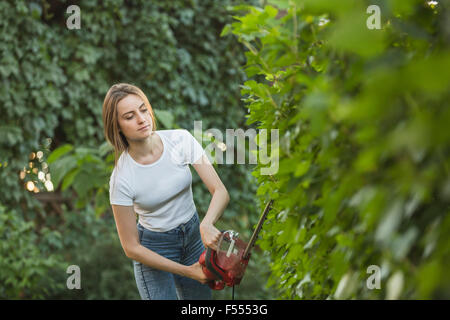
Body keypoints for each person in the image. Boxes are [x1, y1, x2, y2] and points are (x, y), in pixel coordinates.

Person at [102, 83, 230, 300]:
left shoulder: (180, 140)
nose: (142, 119)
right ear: (117, 127)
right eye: (130, 116)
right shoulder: (121, 178)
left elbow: (220, 191)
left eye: (143, 110)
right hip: (153, 249)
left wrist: (206, 224)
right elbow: (131, 247)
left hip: (192, 237)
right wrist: (187, 271)